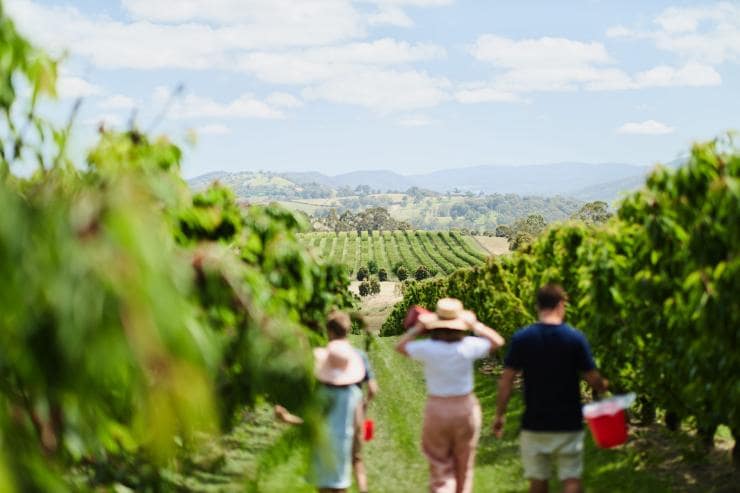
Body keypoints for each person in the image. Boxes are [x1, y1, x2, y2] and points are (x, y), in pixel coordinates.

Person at [492, 284, 608, 493]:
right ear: (561, 304)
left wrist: (500, 415)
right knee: (571, 478)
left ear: (538, 306)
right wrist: (604, 387)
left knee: (538, 480)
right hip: (568, 421)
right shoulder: (574, 338)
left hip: (535, 422)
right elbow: (593, 379)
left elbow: (506, 380)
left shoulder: (522, 338)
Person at [396, 298, 505, 493]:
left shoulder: (428, 348)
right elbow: (498, 341)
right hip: (465, 408)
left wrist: (419, 328)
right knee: (465, 464)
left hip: (437, 409)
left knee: (439, 466)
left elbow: (400, 347)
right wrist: (475, 325)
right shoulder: (468, 345)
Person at [274, 311, 372, 493]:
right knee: (341, 488)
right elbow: (358, 426)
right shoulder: (355, 394)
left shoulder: (322, 393)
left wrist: (287, 418)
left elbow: (312, 422)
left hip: (323, 450)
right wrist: (356, 450)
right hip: (342, 449)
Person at [326, 311, 379, 493]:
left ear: (330, 332)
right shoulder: (359, 355)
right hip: (354, 411)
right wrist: (364, 405)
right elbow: (373, 389)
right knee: (356, 458)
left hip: (333, 413)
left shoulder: (327, 357)